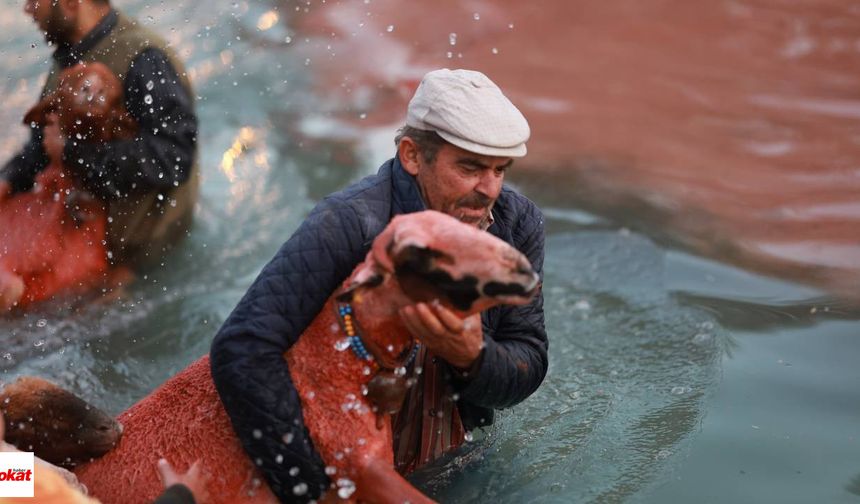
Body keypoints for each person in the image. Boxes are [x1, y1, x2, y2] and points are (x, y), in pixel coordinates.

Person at [210, 68, 547, 502]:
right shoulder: (348, 223)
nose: (489, 190)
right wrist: (313, 489)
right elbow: (244, 348)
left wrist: (473, 357)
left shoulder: (517, 222)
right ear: (411, 155)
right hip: (339, 457)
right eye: (470, 167)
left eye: (501, 170)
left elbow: (529, 359)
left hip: (454, 456)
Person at [0, 0, 198, 267]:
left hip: (145, 261)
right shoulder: (70, 56)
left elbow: (174, 157)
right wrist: (8, 180)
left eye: (35, 0)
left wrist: (72, 154)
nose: (27, 8)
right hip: (86, 245)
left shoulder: (144, 58)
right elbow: (41, 149)